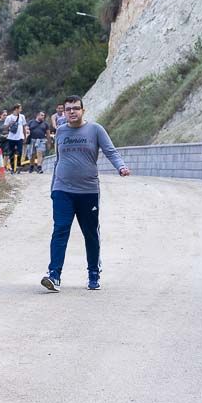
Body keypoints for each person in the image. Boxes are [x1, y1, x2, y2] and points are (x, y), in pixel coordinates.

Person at [41, 95, 130, 293]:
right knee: (60, 229)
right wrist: (53, 188)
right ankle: (54, 274)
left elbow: (111, 151)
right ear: (63, 112)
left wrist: (121, 166)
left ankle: (93, 273)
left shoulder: (95, 130)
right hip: (62, 190)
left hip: (88, 191)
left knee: (90, 233)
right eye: (68, 109)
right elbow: (58, 160)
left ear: (83, 110)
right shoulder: (61, 132)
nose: (72, 112)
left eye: (75, 108)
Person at [3, 104, 27, 174]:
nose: (21, 110)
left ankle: (18, 166)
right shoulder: (9, 117)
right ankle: (13, 167)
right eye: (20, 108)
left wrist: (25, 137)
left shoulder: (22, 117)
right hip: (11, 138)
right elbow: (5, 128)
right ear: (16, 109)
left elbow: (23, 127)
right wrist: (9, 124)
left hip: (20, 137)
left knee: (19, 152)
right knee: (11, 153)